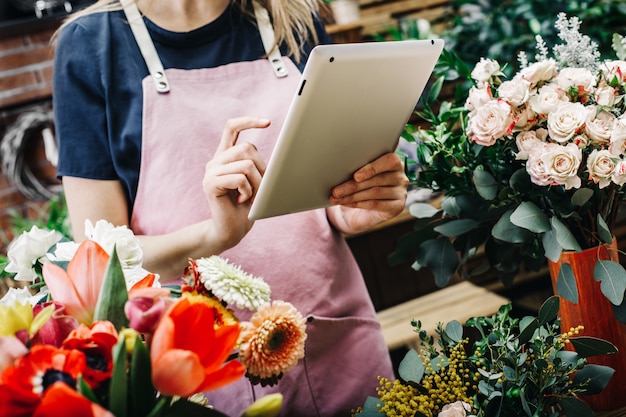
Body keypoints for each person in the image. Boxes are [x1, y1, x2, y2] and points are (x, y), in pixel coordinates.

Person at [52, 0, 409, 415]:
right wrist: (214, 235)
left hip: (332, 337)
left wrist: (351, 207)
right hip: (200, 370)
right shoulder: (92, 44)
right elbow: (101, 261)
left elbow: (326, 189)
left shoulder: (292, 16)